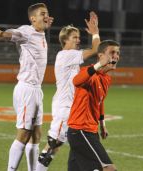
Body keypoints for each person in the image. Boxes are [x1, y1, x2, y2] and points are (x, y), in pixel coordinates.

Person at [0, 3, 54, 171]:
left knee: (36, 135)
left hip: (37, 90)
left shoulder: (41, 33)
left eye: (47, 13)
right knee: (24, 134)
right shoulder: (26, 32)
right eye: (43, 13)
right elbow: (2, 35)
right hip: (27, 90)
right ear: (33, 18)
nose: (47, 16)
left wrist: (45, 23)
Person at [36, 11, 100, 170]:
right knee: (53, 145)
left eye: (79, 37)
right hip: (64, 106)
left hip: (72, 106)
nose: (78, 40)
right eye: (74, 37)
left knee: (65, 145)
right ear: (65, 40)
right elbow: (95, 49)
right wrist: (95, 32)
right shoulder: (67, 55)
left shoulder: (69, 56)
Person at [67, 40, 120, 171]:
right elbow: (76, 81)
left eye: (118, 53)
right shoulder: (89, 73)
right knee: (109, 168)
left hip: (90, 131)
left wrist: (102, 124)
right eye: (112, 52)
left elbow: (99, 101)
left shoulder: (106, 78)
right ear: (101, 56)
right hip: (80, 131)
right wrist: (97, 66)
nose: (116, 56)